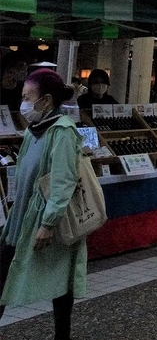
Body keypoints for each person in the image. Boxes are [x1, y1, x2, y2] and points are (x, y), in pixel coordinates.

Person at [0, 69, 85, 339]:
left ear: (46, 100)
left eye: (27, 97)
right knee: (4, 273)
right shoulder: (33, 130)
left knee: (61, 283)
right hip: (22, 217)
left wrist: (48, 223)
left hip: (47, 220)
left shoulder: (62, 131)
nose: (23, 103)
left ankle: (62, 335)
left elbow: (63, 180)